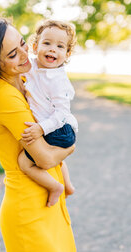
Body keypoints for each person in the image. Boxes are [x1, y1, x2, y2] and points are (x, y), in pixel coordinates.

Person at [0, 17, 77, 252]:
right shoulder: (4, 96)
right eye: (12, 54)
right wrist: (72, 147)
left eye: (22, 43)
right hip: (28, 209)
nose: (24, 54)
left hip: (47, 201)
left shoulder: (25, 80)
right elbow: (44, 158)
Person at [18, 20, 78, 208]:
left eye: (60, 46)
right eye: (47, 43)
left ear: (67, 54)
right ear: (35, 47)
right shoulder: (33, 65)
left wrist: (41, 129)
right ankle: (68, 185)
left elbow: (62, 113)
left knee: (25, 162)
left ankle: (55, 187)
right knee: (56, 156)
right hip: (57, 129)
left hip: (59, 129)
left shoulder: (57, 81)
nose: (53, 49)